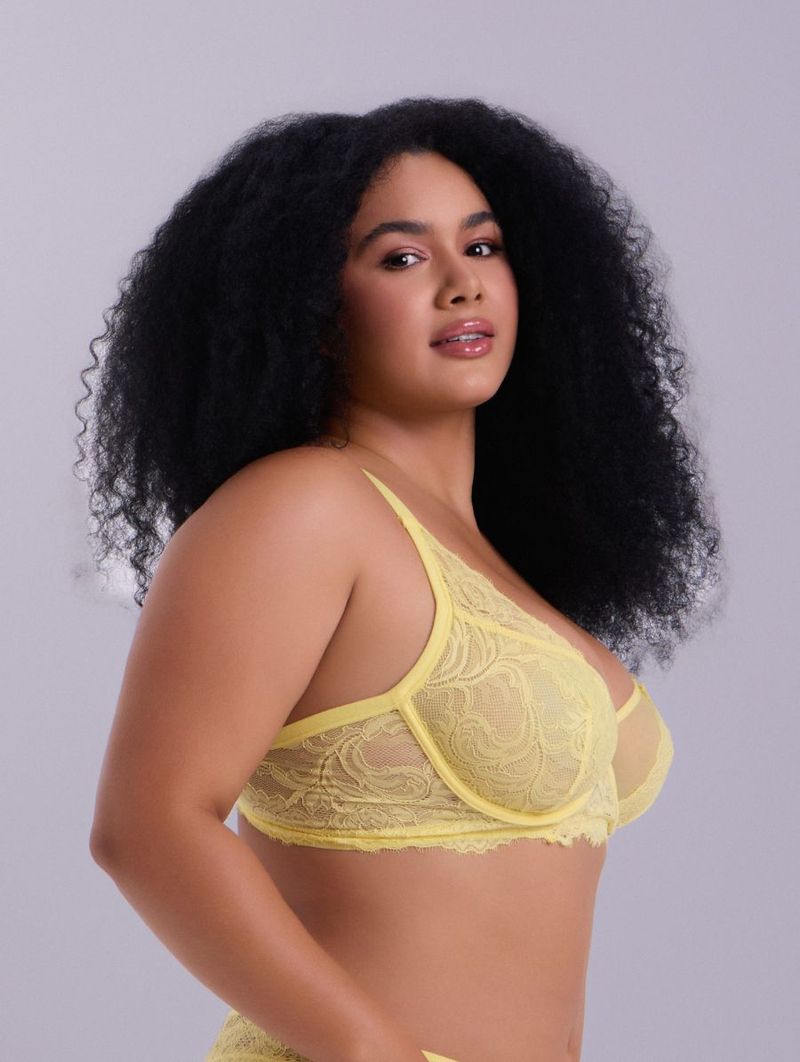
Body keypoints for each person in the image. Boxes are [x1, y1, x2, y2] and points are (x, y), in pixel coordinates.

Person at [78, 96, 725, 1061]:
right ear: (312, 309)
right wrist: (368, 1048)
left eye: (484, 246)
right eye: (403, 258)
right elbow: (147, 826)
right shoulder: (301, 507)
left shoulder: (485, 553)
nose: (463, 285)